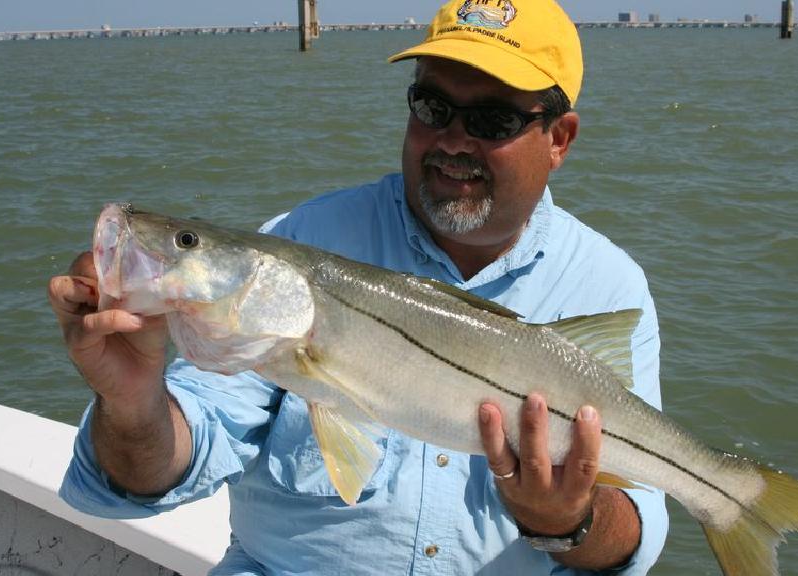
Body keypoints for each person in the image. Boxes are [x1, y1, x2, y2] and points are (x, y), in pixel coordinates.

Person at [48, 1, 668, 574]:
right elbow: (170, 458)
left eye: (491, 118)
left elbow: (635, 534)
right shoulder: (306, 235)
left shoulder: (608, 284)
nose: (453, 138)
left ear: (558, 139)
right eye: (432, 107)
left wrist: (568, 520)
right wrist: (133, 404)